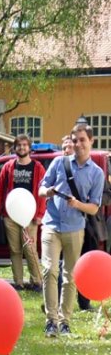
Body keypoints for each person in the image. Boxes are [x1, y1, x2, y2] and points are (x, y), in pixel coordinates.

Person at [38, 123, 105, 337]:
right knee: (49, 270)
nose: (78, 144)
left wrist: (77, 204)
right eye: (75, 140)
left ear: (91, 141)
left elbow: (94, 208)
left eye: (82, 140)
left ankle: (65, 322)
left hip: (75, 228)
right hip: (51, 224)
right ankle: (51, 321)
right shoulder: (59, 162)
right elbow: (40, 189)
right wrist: (47, 191)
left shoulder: (97, 173)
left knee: (70, 276)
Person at [0, 134, 45, 291]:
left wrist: (40, 214)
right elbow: (0, 191)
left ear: (29, 147)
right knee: (15, 250)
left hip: (30, 216)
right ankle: (19, 282)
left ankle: (37, 281)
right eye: (19, 145)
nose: (22, 148)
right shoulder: (8, 167)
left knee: (30, 249)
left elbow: (42, 192)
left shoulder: (38, 168)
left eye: (25, 145)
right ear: (15, 148)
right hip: (10, 216)